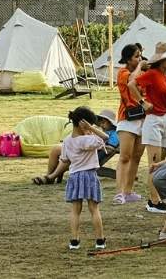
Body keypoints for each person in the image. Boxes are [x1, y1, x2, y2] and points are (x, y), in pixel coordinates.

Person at [130, 42, 166, 214]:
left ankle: (159, 196)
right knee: (154, 163)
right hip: (154, 120)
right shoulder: (152, 74)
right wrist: (142, 102)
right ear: (162, 60)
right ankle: (153, 201)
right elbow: (131, 84)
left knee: (162, 162)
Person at [54, 106, 110, 250]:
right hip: (89, 175)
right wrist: (91, 128)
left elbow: (65, 159)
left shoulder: (67, 141)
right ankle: (100, 240)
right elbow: (105, 137)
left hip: (74, 176)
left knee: (75, 210)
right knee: (94, 208)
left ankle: (74, 240)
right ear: (82, 123)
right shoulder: (87, 140)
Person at [33, 111, 118, 186]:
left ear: (110, 123)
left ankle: (51, 177)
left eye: (104, 123)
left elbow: (110, 148)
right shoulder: (101, 130)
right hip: (85, 146)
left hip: (92, 152)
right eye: (100, 123)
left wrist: (98, 145)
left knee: (70, 153)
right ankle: (49, 175)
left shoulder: (115, 134)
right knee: (56, 149)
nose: (101, 125)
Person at [113, 44, 148, 205]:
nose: (139, 59)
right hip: (127, 119)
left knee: (136, 156)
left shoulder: (142, 72)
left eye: (140, 56)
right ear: (128, 59)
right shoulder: (123, 72)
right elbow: (131, 81)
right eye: (136, 56)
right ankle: (119, 192)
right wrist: (141, 66)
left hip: (143, 118)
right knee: (125, 157)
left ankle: (128, 191)